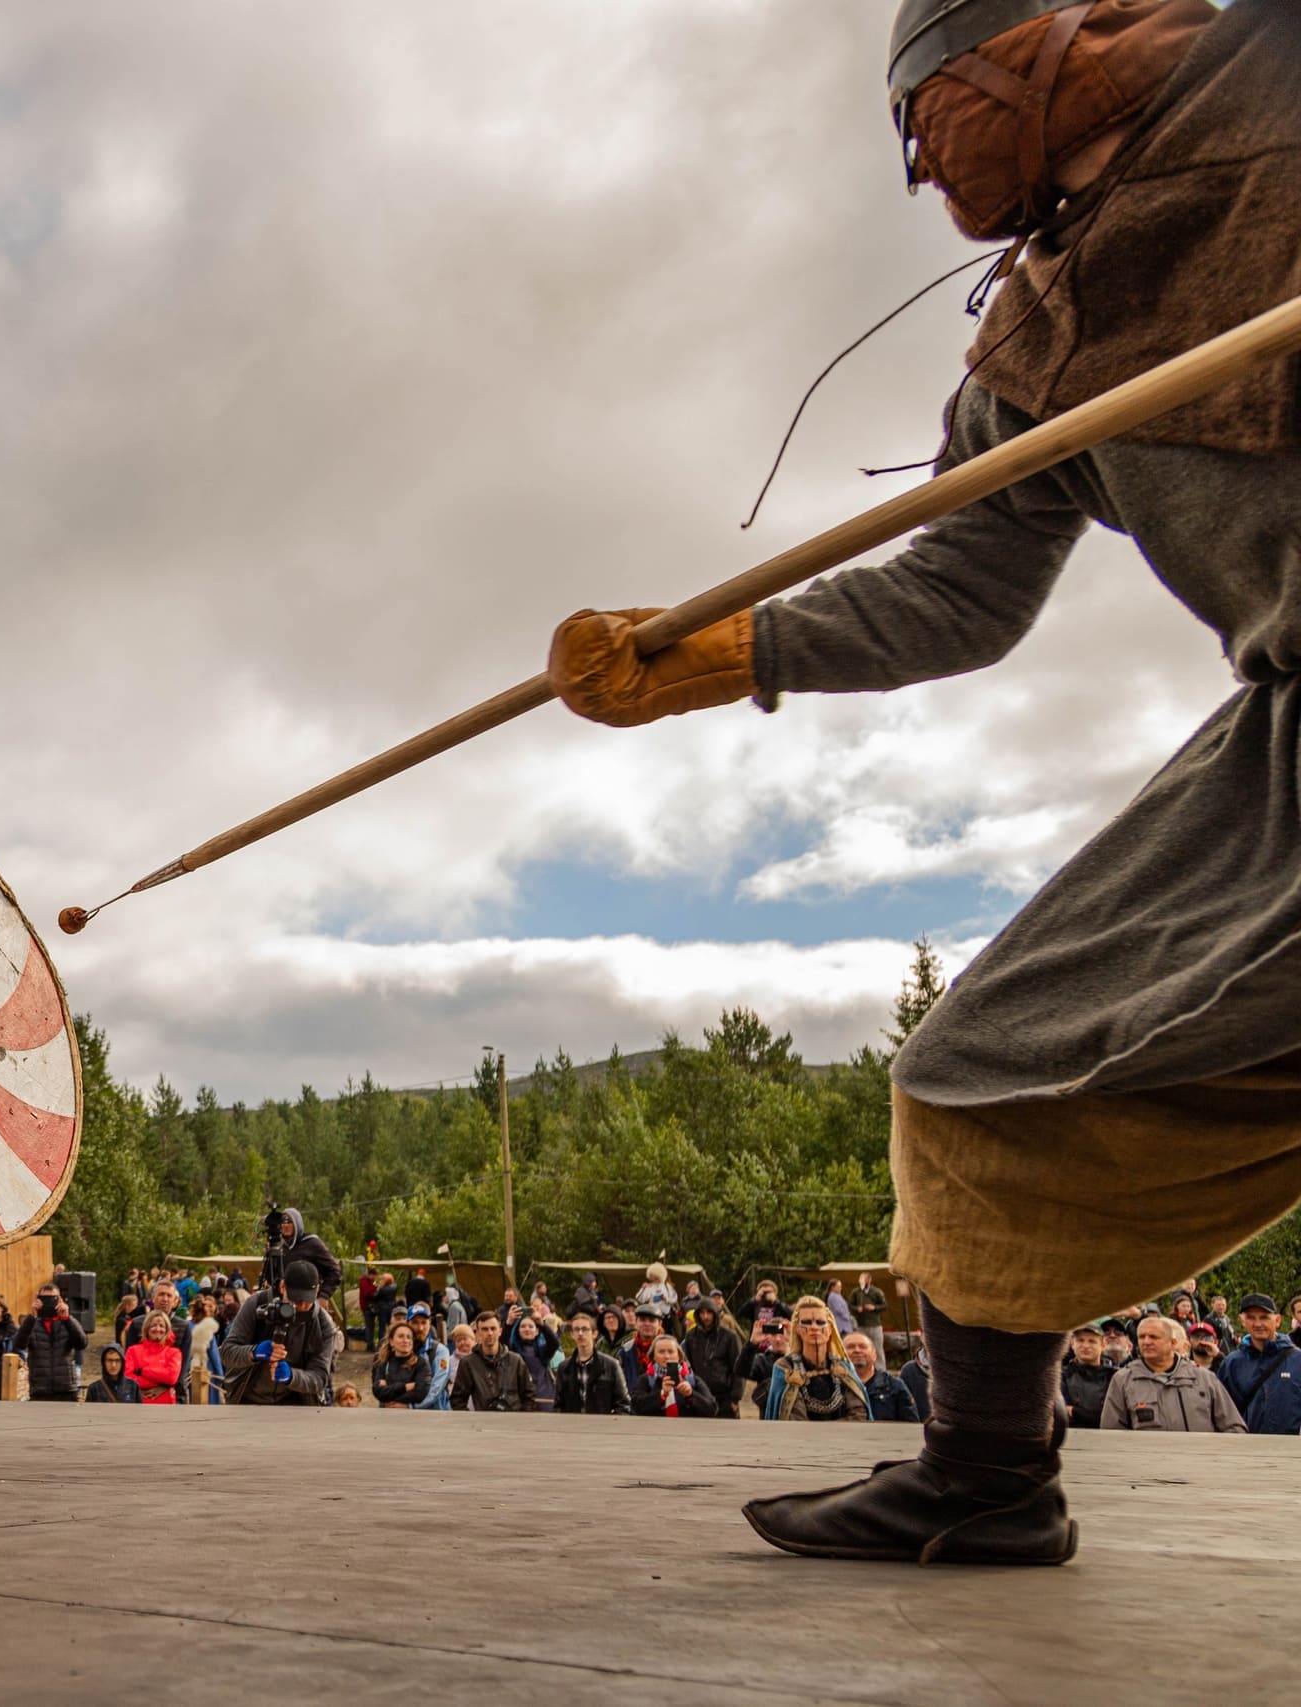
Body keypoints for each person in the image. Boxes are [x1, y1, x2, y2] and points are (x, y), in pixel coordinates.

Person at [550, 0, 1301, 1565]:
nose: (923, 156)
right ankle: (987, 1475)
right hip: (1291, 730)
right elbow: (959, 593)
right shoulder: (1039, 344)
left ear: (1049, 36)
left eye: (931, 100)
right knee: (977, 1061)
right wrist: (712, 652)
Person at [218, 1259, 338, 1406]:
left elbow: (319, 1379)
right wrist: (253, 1352)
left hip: (295, 1404)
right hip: (248, 1399)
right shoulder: (255, 1304)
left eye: (307, 1301)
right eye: (296, 1300)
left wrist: (292, 1377)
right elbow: (227, 1353)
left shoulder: (323, 1324)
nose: (301, 1306)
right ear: (282, 1287)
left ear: (317, 1290)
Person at [1103, 1316, 1244, 1432]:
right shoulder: (1123, 1380)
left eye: (1153, 1337)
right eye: (1142, 1337)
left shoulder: (1204, 1378)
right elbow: (1111, 1435)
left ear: (1173, 1343)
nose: (1146, 1342)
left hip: (1201, 1463)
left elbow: (1234, 1427)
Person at [759, 1301, 872, 1422]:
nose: (814, 1327)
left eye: (820, 1322)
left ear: (829, 1329)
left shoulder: (844, 1367)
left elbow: (860, 1415)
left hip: (845, 1439)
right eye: (806, 1322)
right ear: (797, 1329)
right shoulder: (785, 1368)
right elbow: (792, 1420)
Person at [1216, 1293, 1301, 1435]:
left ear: (1278, 1320)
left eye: (1264, 1317)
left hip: (1291, 1451)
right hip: (1247, 1450)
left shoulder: (1297, 1360)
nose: (1258, 1324)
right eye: (1251, 1318)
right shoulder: (1231, 1364)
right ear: (1242, 1321)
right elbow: (1220, 1412)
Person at [14, 1282, 89, 1403]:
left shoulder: (67, 1321)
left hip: (66, 1389)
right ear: (38, 1300)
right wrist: (32, 1316)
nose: (49, 1303)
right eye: (45, 1299)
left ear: (59, 1300)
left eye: (52, 1299)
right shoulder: (32, 1323)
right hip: (40, 1390)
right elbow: (19, 1345)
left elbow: (82, 1343)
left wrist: (67, 1318)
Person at [448, 1312, 531, 1413]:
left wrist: (522, 1419)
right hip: (482, 1423)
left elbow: (529, 1396)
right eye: (485, 1329)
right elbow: (457, 1400)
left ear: (500, 1331)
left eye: (493, 1328)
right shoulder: (468, 1363)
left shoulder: (516, 1361)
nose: (490, 1333)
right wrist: (470, 1421)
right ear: (477, 1333)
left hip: (513, 1422)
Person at [553, 1310, 628, 1415]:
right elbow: (558, 1405)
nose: (580, 1333)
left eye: (584, 1329)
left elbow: (623, 1404)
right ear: (572, 1334)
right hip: (571, 1427)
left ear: (594, 1333)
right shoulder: (564, 1367)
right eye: (576, 1329)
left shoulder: (611, 1365)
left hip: (602, 1428)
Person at [681, 1300, 745, 1419]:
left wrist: (735, 1398)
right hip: (700, 1395)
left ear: (715, 1314)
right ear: (698, 1314)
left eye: (709, 1313)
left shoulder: (730, 1337)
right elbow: (687, 1366)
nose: (705, 1316)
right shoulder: (691, 1336)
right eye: (702, 1313)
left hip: (724, 1397)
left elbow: (739, 1369)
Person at [632, 1335, 720, 1418]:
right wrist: (661, 1395)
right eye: (661, 1352)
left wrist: (691, 1395)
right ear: (653, 1356)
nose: (666, 1356)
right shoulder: (646, 1380)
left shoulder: (692, 1379)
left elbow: (712, 1409)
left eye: (671, 1352)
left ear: (679, 1356)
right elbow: (635, 1408)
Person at [848, 1333, 922, 1422]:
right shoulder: (833, 1386)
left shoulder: (894, 1386)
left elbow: (912, 1425)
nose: (857, 1350)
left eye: (863, 1346)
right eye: (850, 1347)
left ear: (874, 1355)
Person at [123, 1308, 183, 1404]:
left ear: (167, 1330)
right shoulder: (133, 1351)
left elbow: (171, 1377)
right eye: (154, 1325)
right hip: (138, 1403)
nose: (158, 1329)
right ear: (146, 1329)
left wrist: (142, 1371)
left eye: (162, 1326)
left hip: (166, 1405)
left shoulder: (174, 1353)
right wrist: (161, 1384)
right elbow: (128, 1378)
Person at [372, 1322, 426, 1408]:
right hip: (386, 1413)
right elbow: (377, 1391)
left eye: (409, 1337)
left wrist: (390, 1395)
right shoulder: (383, 1363)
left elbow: (420, 1393)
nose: (405, 1340)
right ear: (391, 1341)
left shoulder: (421, 1364)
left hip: (412, 1415)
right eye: (401, 1336)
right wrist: (405, 1387)